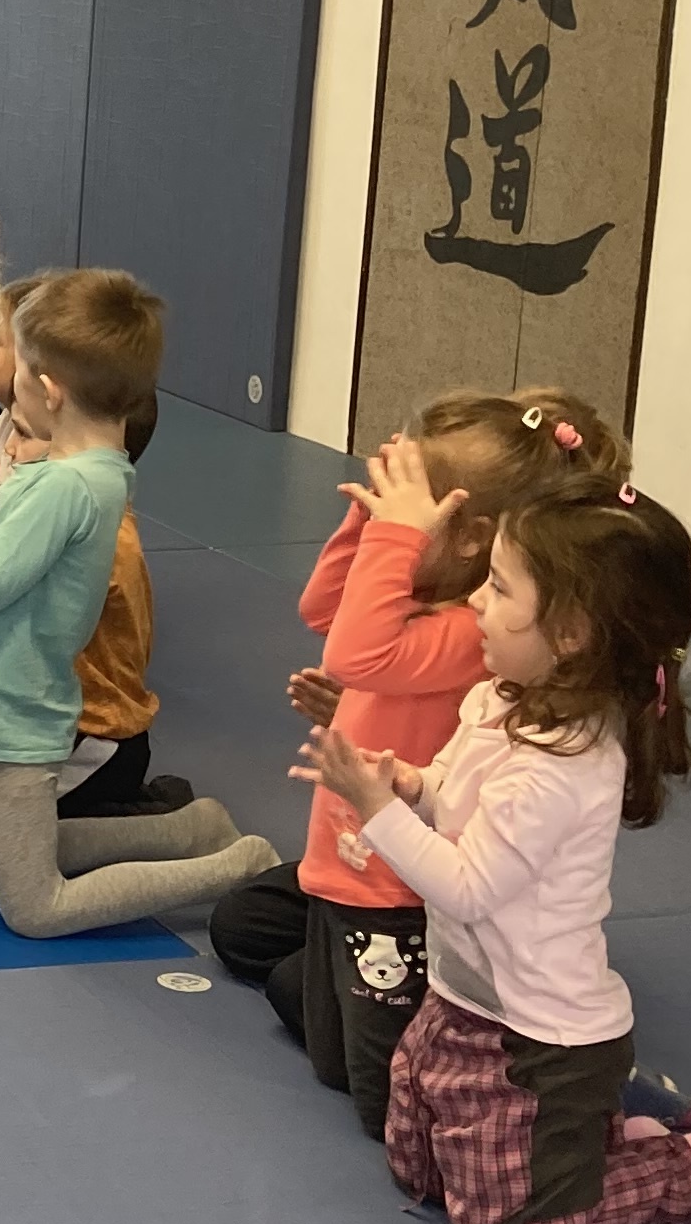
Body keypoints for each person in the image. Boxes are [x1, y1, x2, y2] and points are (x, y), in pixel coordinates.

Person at [297, 482, 691, 1224]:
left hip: (543, 1040)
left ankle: (684, 1172)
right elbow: (454, 793)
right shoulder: (499, 699)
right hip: (466, 1000)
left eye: (500, 588)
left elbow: (467, 887)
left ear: (569, 634)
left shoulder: (562, 765)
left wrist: (375, 810)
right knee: (415, 1166)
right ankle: (600, 1138)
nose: (474, 599)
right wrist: (407, 783)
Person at [211, 391, 622, 1134]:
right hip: (344, 863)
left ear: (470, 539)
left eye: (406, 502)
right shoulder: (420, 591)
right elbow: (323, 611)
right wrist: (373, 521)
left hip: (399, 883)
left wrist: (394, 537)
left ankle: (535, 1074)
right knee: (246, 935)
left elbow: (353, 653)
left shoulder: (472, 633)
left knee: (375, 1103)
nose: (386, 514)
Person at [0, 268, 277, 933]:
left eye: (20, 367)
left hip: (10, 717)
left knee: (35, 910)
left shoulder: (67, 487)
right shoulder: (71, 471)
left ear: (48, 390)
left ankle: (235, 865)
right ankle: (188, 830)